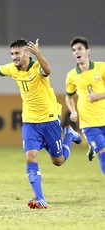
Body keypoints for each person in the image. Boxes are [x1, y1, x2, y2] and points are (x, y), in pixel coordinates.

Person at [0, 38, 82, 209]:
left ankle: (69, 134)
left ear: (26, 53)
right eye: (12, 54)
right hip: (30, 122)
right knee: (30, 156)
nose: (14, 57)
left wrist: (39, 53)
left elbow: (48, 70)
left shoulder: (37, 67)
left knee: (58, 161)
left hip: (49, 119)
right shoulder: (12, 69)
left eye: (17, 53)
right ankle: (40, 198)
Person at [66, 36, 105, 174]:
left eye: (80, 49)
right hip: (89, 122)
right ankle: (94, 146)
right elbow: (69, 97)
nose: (77, 52)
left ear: (87, 51)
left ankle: (91, 147)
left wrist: (98, 96)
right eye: (74, 50)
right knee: (104, 155)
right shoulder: (71, 75)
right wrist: (73, 111)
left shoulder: (101, 67)